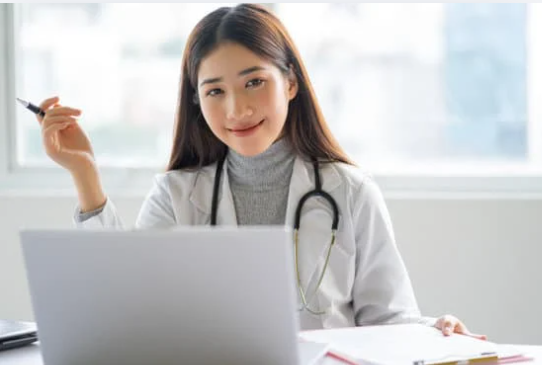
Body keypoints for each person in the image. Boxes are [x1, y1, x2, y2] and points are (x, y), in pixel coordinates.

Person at [35, 4, 486, 337]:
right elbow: (121, 307)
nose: (237, 109)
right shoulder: (176, 195)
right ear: (197, 100)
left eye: (254, 82)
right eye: (214, 91)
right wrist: (85, 175)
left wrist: (434, 331)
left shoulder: (349, 191)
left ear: (290, 83)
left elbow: (390, 322)